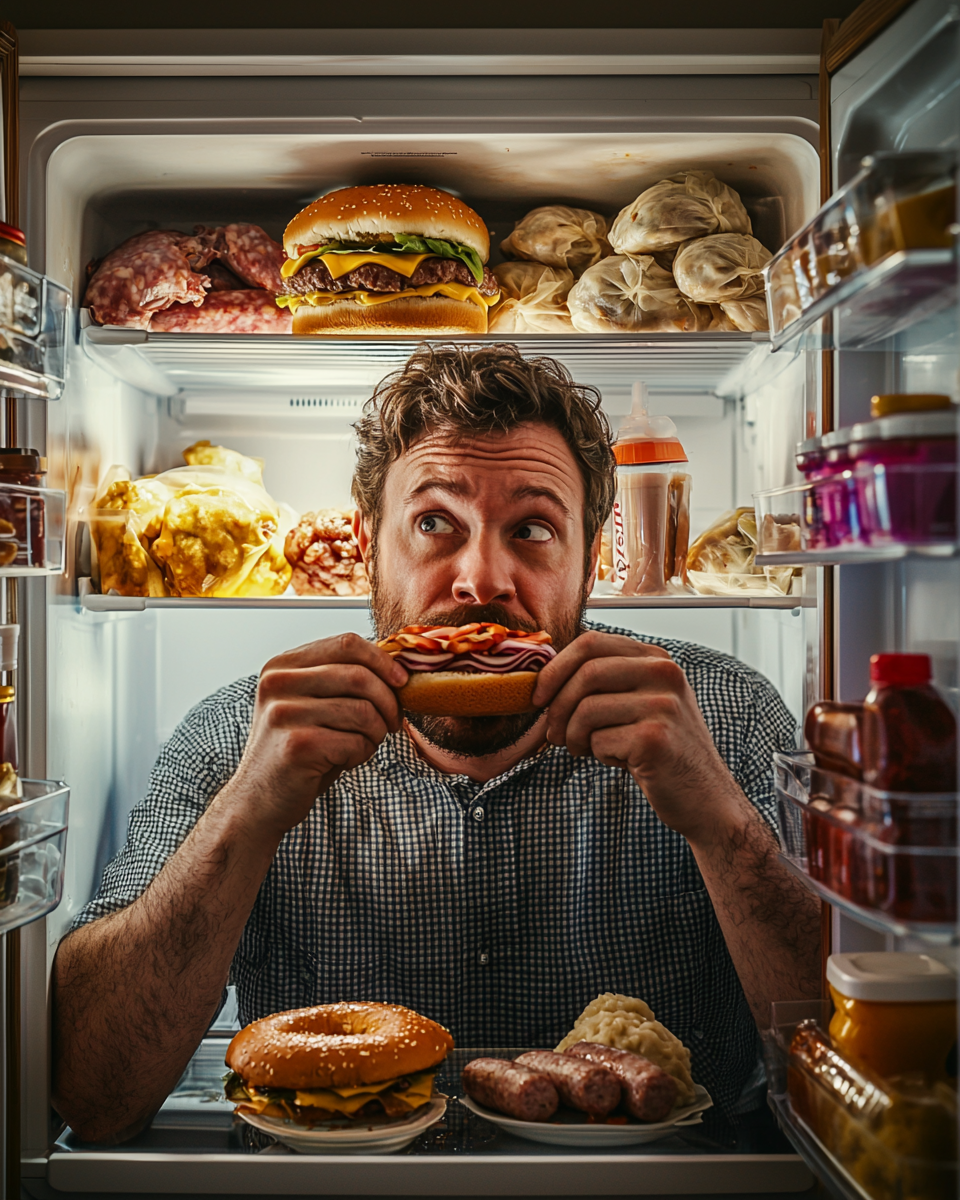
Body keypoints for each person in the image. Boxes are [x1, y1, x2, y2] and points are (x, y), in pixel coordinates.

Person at [52, 344, 820, 1144]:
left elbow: (854, 1067)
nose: (481, 578)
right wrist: (246, 816)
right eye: (433, 524)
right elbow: (93, 1096)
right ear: (367, 544)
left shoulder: (725, 719)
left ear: (592, 559)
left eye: (532, 528)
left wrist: (724, 828)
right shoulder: (236, 737)